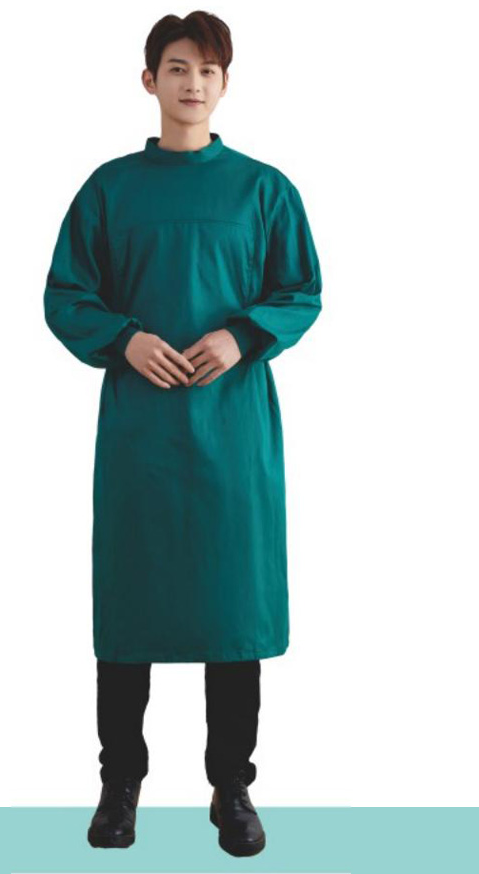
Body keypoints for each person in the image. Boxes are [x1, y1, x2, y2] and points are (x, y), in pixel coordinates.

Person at [43, 10, 322, 859]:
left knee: (232, 612)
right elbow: (67, 295)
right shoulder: (110, 190)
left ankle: (230, 785)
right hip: (142, 436)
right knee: (132, 610)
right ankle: (119, 783)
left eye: (206, 69)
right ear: (149, 81)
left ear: (225, 84)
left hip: (233, 433)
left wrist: (241, 334)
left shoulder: (262, 190)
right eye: (176, 67)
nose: (192, 82)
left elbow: (301, 289)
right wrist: (124, 338)